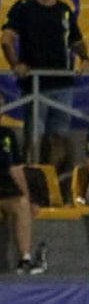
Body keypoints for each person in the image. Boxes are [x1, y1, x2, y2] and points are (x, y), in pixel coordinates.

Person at [1, 0, 89, 171]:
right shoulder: (22, 7)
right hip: (35, 85)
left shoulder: (64, 10)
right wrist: (16, 65)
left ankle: (52, 183)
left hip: (63, 84)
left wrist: (85, 58)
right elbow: (7, 40)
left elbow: (76, 40)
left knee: (59, 137)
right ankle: (33, 179)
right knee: (34, 137)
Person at [0, 94, 45, 274]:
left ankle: (25, 259)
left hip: (4, 189)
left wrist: (28, 197)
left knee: (21, 204)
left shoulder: (7, 135)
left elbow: (16, 170)